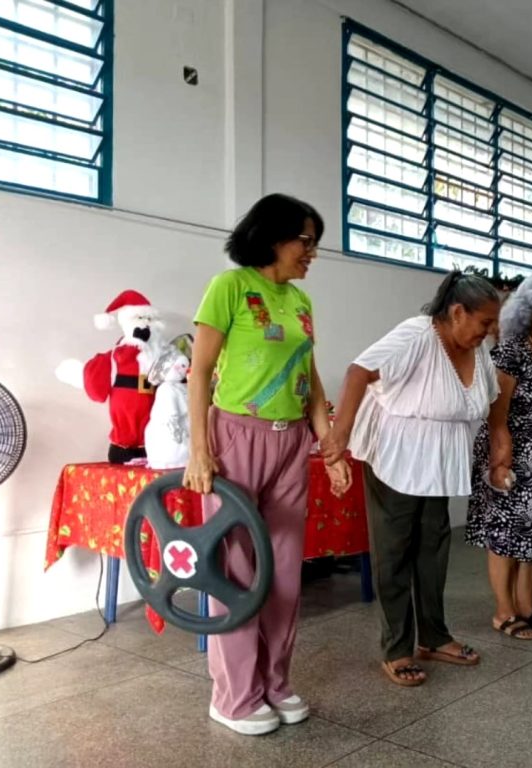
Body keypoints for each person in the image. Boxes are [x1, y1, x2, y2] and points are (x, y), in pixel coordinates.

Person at [183, 193, 350, 736]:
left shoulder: (300, 301)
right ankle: (234, 695)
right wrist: (200, 449)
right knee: (234, 570)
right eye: (306, 240)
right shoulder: (229, 286)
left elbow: (310, 371)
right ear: (273, 236)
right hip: (234, 438)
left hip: (290, 443)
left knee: (282, 573)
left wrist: (328, 439)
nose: (312, 253)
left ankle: (275, 682)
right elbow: (200, 372)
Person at [321, 271, 501, 687]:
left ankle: (434, 637)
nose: (491, 331)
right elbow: (358, 371)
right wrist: (341, 432)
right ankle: (397, 647)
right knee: (395, 551)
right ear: (457, 312)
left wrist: (499, 440)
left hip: (440, 458)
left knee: (433, 550)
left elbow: (492, 397)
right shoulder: (417, 334)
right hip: (397, 455)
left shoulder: (476, 349)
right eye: (485, 322)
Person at [466, 272, 532, 641]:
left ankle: (527, 606)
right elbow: (498, 411)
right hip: (509, 452)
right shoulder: (510, 351)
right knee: (505, 533)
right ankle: (503, 611)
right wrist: (501, 459)